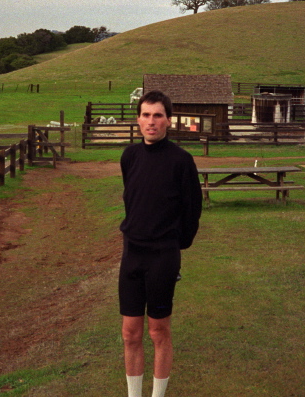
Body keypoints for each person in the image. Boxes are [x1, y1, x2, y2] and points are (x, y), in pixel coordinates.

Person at [119, 90, 202, 397]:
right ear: (138, 119)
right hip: (132, 254)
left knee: (158, 331)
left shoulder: (181, 160)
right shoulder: (130, 156)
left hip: (163, 256)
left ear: (168, 119)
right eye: (145, 115)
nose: (151, 122)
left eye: (157, 115)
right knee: (130, 333)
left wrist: (172, 246)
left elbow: (192, 211)